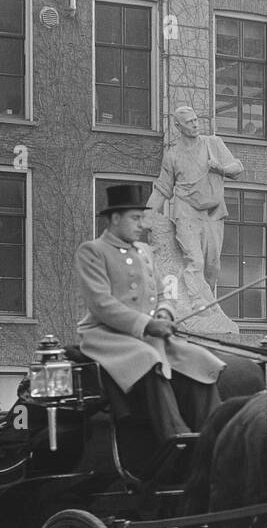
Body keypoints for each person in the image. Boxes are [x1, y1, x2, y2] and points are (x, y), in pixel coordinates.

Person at [76, 182, 225, 441]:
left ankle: (214, 435)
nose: (143, 225)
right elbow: (102, 304)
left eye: (142, 218)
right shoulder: (92, 252)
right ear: (114, 219)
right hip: (107, 338)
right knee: (148, 359)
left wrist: (165, 314)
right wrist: (147, 324)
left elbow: (164, 294)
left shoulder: (144, 252)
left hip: (149, 334)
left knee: (199, 359)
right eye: (136, 218)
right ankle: (176, 437)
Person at [147, 105, 245, 296]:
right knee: (195, 262)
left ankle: (205, 306)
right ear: (178, 126)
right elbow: (162, 190)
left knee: (212, 268)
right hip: (187, 214)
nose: (195, 125)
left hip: (212, 213)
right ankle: (196, 303)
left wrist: (220, 169)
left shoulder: (213, 143)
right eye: (189, 122)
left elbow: (237, 169)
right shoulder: (173, 155)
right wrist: (145, 215)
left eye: (195, 120)